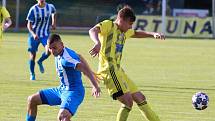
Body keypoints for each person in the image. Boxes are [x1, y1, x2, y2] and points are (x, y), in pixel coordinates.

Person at [89, 6, 165, 121]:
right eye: (130, 23)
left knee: (140, 98)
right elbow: (93, 30)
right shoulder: (109, 25)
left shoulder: (124, 31)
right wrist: (97, 42)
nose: (131, 27)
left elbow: (136, 33)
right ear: (122, 19)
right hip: (109, 70)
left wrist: (152, 34)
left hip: (119, 71)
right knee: (128, 102)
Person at [26, 34, 101, 121]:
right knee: (32, 99)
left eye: (54, 48)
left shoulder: (66, 59)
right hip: (61, 90)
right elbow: (79, 56)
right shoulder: (61, 52)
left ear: (62, 45)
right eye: (50, 48)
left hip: (74, 92)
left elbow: (83, 67)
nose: (52, 51)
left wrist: (95, 86)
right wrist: (91, 71)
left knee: (63, 116)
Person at [26, 0, 57, 80]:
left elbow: (54, 13)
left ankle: (40, 61)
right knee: (33, 55)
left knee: (49, 51)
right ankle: (32, 74)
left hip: (45, 35)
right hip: (34, 35)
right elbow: (29, 24)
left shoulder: (50, 7)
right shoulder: (33, 9)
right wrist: (33, 34)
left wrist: (53, 23)